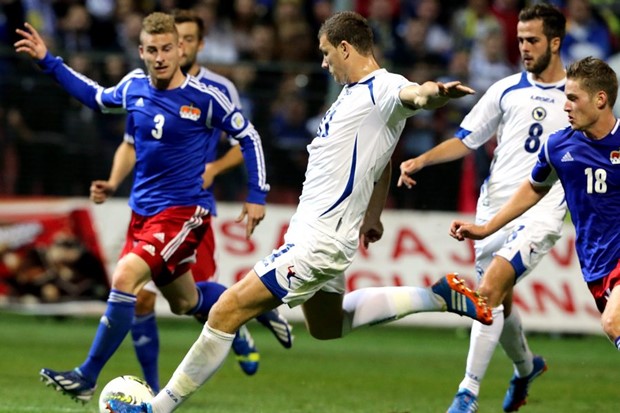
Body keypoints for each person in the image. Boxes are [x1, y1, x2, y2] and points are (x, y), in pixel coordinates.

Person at [107, 11, 492, 413]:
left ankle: (156, 409)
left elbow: (416, 94)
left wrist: (436, 93)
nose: (323, 63)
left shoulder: (384, 87)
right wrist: (374, 215)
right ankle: (438, 296)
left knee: (226, 310)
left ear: (346, 48)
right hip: (321, 235)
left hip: (318, 241)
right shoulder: (354, 95)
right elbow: (384, 162)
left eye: (327, 53)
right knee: (327, 326)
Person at [14, 12, 272, 405]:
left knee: (125, 277)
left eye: (167, 48)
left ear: (180, 49)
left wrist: (257, 194)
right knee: (185, 302)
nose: (160, 56)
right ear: (141, 51)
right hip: (143, 214)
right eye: (152, 50)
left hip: (183, 214)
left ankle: (86, 376)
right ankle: (255, 304)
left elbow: (248, 136)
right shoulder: (134, 87)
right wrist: (50, 60)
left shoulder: (205, 99)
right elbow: (95, 97)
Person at [90, 9, 293, 392]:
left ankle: (250, 316)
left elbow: (244, 142)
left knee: (193, 298)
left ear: (196, 45)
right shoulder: (147, 87)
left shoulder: (217, 90)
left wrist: (215, 169)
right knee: (143, 299)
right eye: (166, 42)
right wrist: (113, 181)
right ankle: (149, 388)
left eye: (181, 41)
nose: (172, 49)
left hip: (189, 209)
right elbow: (130, 143)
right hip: (147, 209)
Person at [398, 4, 568, 412]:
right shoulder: (506, 89)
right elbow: (466, 139)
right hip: (492, 208)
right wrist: (420, 160)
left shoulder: (576, 95)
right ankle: (527, 367)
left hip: (541, 210)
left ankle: (467, 393)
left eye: (533, 40)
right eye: (521, 40)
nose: (524, 48)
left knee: (488, 289)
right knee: (498, 299)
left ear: (555, 43)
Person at [450, 54, 620, 395]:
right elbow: (533, 188)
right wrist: (486, 229)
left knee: (612, 322)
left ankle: (468, 391)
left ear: (601, 99)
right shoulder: (559, 146)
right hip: (596, 265)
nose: (566, 105)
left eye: (573, 98)